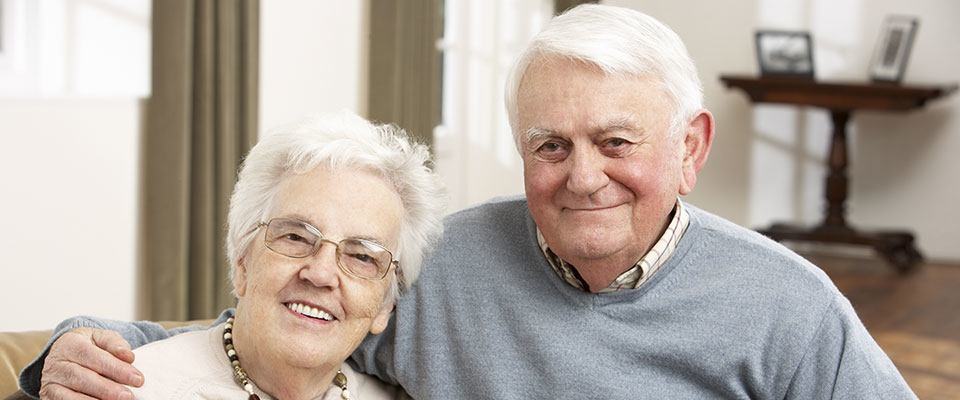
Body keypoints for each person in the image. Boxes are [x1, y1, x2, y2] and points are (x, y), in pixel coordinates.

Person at [20, 4, 915, 400]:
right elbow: (250, 337)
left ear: (690, 148)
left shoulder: (787, 305)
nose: (583, 176)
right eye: (550, 146)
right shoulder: (439, 262)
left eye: (618, 142)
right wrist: (74, 345)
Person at [23, 112, 445, 400]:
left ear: (384, 308)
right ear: (242, 261)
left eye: (361, 257)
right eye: (296, 236)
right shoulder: (127, 387)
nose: (320, 273)